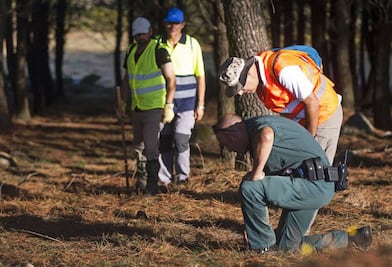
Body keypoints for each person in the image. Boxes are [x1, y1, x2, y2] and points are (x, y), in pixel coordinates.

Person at [213, 113, 372, 253]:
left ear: (232, 134)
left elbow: (267, 135)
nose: (229, 150)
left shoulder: (257, 127)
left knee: (250, 187)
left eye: (226, 143)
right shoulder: (257, 128)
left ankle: (262, 249)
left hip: (312, 185)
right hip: (317, 186)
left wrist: (256, 172)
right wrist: (255, 228)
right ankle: (353, 239)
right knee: (286, 246)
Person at [218, 48, 343, 166]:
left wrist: (308, 141)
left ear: (249, 74)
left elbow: (312, 103)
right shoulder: (261, 82)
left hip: (324, 114)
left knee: (316, 168)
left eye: (240, 87)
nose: (240, 93)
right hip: (304, 120)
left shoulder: (283, 69)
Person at [118, 17, 176, 195]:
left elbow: (171, 79)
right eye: (137, 35)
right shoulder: (131, 50)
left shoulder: (159, 50)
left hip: (154, 106)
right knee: (138, 146)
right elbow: (127, 79)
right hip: (136, 106)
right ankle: (141, 182)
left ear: (150, 32)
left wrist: (168, 105)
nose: (140, 38)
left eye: (143, 34)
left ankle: (152, 185)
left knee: (151, 146)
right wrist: (122, 103)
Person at [156, 7, 206, 188]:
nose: (172, 26)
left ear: (183, 24)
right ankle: (164, 179)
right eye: (169, 22)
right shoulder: (157, 43)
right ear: (164, 23)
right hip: (163, 100)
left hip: (187, 102)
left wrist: (200, 105)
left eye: (176, 23)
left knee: (181, 139)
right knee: (164, 140)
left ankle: (183, 177)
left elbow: (200, 76)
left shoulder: (193, 44)